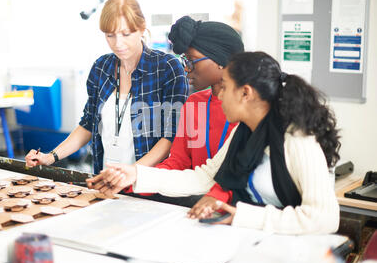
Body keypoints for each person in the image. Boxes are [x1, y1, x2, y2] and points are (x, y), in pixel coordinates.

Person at [87, 51, 342, 235]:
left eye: (225, 87)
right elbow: (205, 177)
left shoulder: (298, 140)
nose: (219, 95)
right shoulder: (244, 133)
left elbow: (325, 219)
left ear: (245, 93)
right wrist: (135, 174)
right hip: (259, 242)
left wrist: (243, 216)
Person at [25, 0, 188, 173]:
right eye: (110, 35)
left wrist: (132, 172)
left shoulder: (166, 68)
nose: (118, 44)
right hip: (106, 178)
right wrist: (50, 157)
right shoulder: (102, 67)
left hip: (149, 183)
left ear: (142, 29)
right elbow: (88, 124)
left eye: (126, 34)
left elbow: (170, 137)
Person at [120, 15, 244, 207]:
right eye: (184, 60)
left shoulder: (248, 109)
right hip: (192, 204)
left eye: (191, 60)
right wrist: (132, 180)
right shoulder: (195, 103)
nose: (186, 69)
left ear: (220, 60)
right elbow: (178, 162)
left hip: (235, 210)